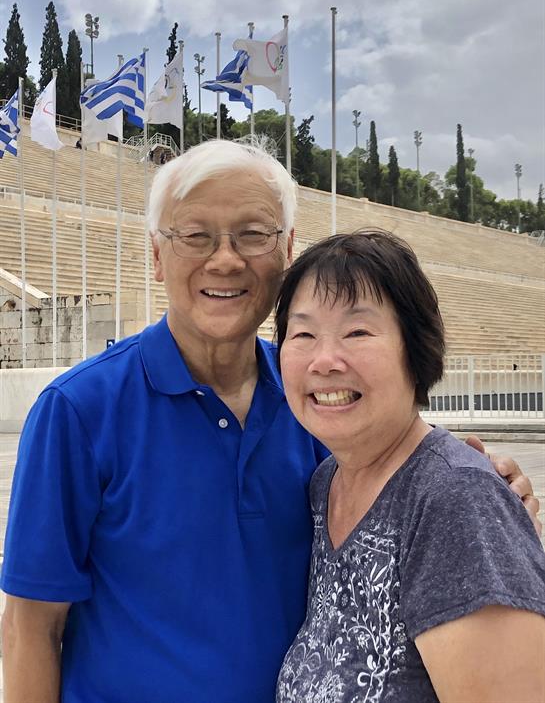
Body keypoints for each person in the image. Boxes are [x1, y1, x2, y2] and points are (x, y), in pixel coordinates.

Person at [0, 141, 539, 703]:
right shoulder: (79, 410)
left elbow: (405, 478)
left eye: (253, 234)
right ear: (157, 255)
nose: (225, 259)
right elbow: (30, 625)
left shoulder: (317, 408)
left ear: (285, 250)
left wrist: (481, 493)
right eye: (195, 235)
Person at [275, 230, 545, 703]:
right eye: (302, 334)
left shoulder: (455, 500)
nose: (324, 360)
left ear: (414, 350)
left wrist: (478, 492)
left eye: (357, 332)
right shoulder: (326, 485)